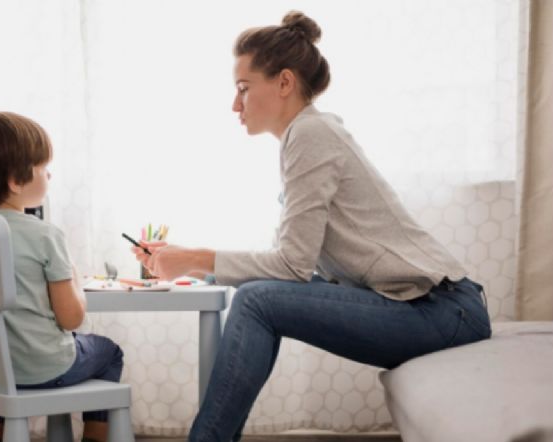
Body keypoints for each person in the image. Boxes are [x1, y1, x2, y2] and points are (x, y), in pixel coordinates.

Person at [131, 11, 492, 442]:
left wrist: (192, 258)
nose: (234, 104)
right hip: (431, 308)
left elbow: (292, 266)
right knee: (257, 297)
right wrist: (186, 263)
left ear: (284, 83)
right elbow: (288, 266)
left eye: (243, 89)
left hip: (443, 310)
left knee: (255, 300)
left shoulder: (311, 134)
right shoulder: (304, 136)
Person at [0, 111, 123, 442]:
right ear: (16, 181)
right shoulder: (45, 235)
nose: (50, 175)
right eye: (44, 168)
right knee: (109, 352)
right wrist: (75, 280)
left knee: (5, 349)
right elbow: (72, 318)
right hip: (47, 369)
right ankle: (95, 436)